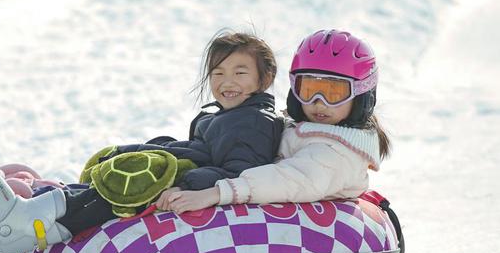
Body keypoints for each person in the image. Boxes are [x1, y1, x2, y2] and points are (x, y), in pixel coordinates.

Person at [0, 31, 283, 253]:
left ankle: (19, 226)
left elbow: (242, 173)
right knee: (113, 166)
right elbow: (204, 150)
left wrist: (186, 182)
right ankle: (18, 212)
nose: (227, 82)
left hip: (195, 189)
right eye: (218, 72)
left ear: (263, 79)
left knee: (123, 184)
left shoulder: (252, 121)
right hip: (193, 177)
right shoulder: (222, 116)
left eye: (240, 72)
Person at [162, 29, 391, 214]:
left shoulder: (339, 153)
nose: (318, 103)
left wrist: (212, 193)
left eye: (333, 93)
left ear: (361, 96)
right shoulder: (300, 130)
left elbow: (287, 179)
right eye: (308, 89)